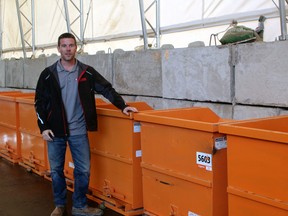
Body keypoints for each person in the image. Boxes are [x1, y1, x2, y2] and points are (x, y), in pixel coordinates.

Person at [34, 32, 138, 216]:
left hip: (79, 130)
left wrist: (123, 106)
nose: (68, 49)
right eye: (64, 45)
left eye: (71, 45)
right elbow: (39, 103)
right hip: (55, 132)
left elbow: (106, 88)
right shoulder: (48, 74)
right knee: (57, 170)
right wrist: (44, 128)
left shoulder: (86, 72)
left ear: (76, 48)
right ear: (58, 48)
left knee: (83, 170)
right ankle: (59, 205)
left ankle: (79, 206)